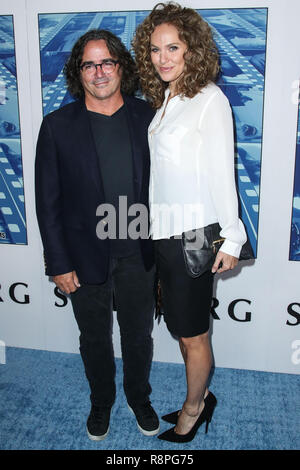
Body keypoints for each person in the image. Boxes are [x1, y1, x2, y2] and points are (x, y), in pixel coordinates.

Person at [35, 29, 159, 441]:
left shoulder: (150, 117)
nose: (99, 71)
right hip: (83, 254)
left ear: (121, 67)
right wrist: (58, 262)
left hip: (139, 249)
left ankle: (138, 396)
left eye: (107, 61)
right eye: (89, 64)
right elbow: (47, 203)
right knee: (93, 337)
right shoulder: (56, 126)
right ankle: (101, 400)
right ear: (79, 72)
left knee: (139, 334)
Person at [133, 2, 247, 443]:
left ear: (192, 49)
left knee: (194, 335)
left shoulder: (208, 100)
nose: (163, 57)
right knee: (182, 332)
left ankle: (195, 408)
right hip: (165, 234)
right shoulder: (166, 100)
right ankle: (196, 398)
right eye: (156, 49)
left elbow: (223, 172)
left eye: (173, 47)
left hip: (194, 236)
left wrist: (232, 237)